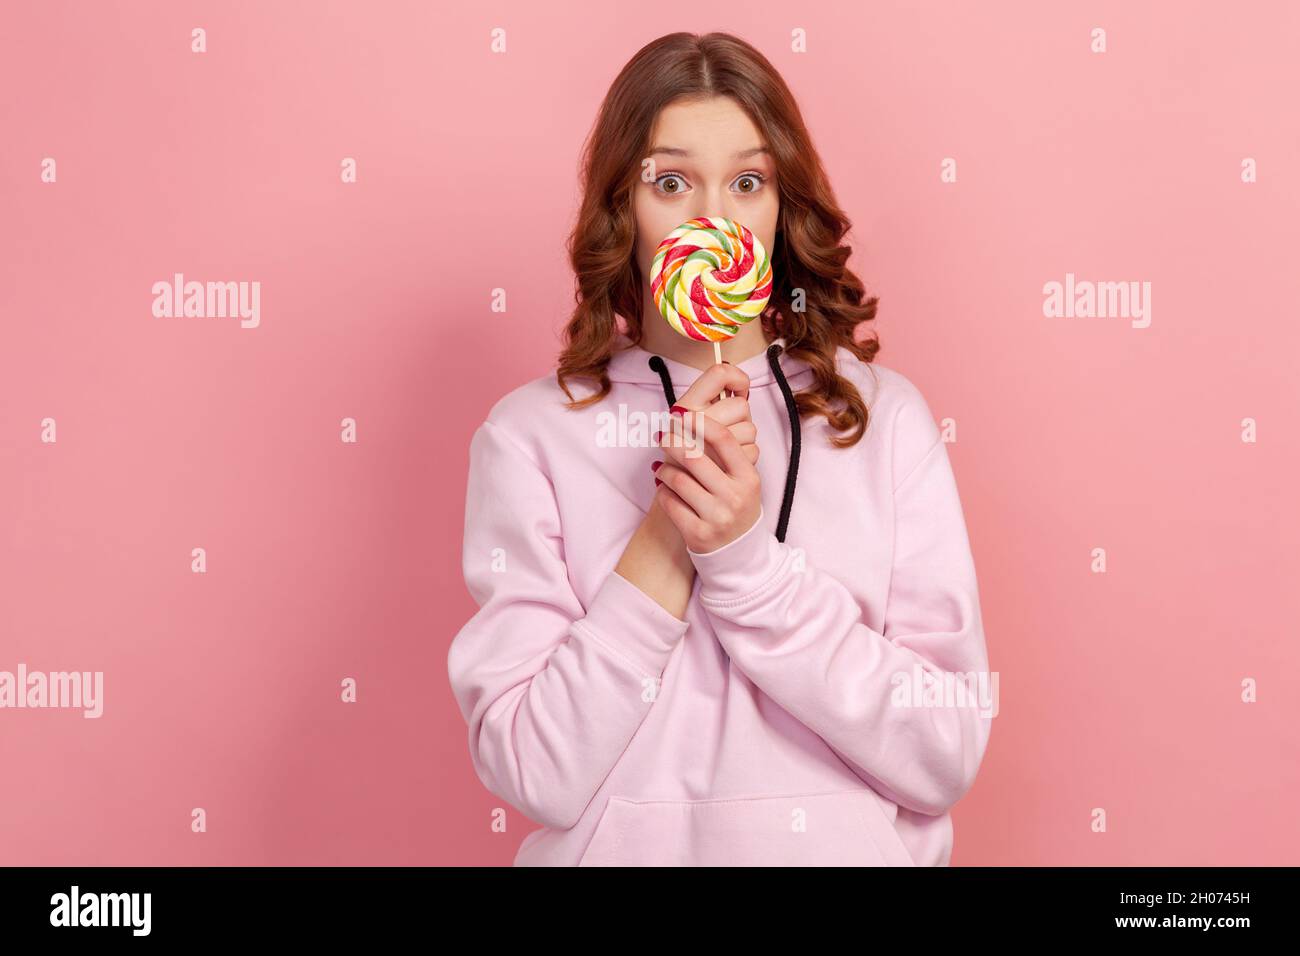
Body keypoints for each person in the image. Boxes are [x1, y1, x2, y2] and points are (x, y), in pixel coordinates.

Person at [447, 31, 992, 866]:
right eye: (671, 183)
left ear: (782, 205)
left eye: (747, 181)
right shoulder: (530, 435)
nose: (714, 218)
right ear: (622, 210)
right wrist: (671, 529)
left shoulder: (883, 421)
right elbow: (535, 769)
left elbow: (943, 753)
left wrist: (747, 563)